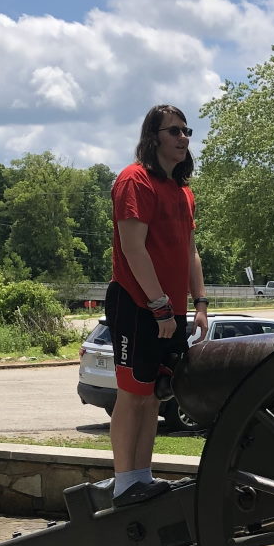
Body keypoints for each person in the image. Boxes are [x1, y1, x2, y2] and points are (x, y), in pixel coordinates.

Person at [105, 104, 208, 507]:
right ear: (154, 138)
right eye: (174, 131)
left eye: (187, 131)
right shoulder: (135, 181)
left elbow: (190, 252)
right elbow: (133, 249)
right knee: (132, 393)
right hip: (137, 303)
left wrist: (198, 303)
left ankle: (142, 477)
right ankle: (123, 483)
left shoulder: (182, 191)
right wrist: (159, 306)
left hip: (171, 308)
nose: (183, 138)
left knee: (156, 394)